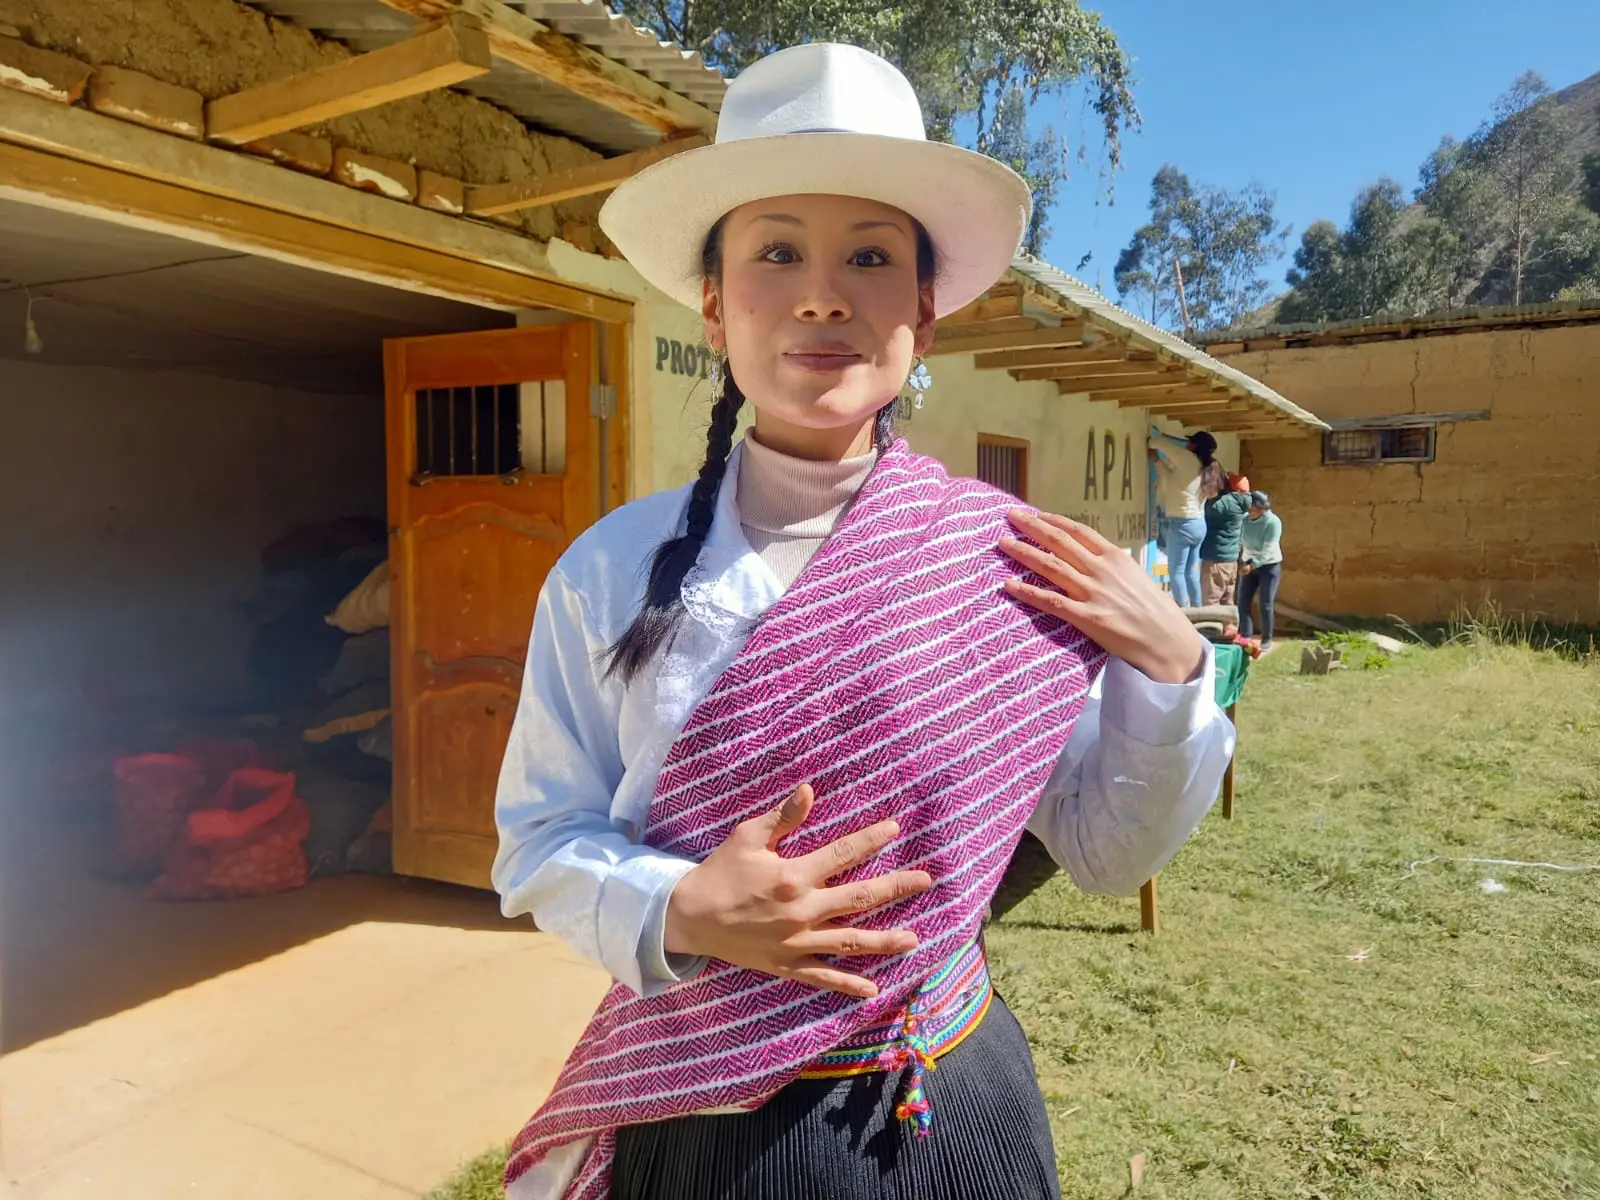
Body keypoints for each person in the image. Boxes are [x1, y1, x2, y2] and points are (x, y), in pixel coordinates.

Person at [491, 43, 1235, 1200]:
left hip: (946, 1103)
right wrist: (681, 905)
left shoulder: (1010, 563)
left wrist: (1175, 669)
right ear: (713, 305)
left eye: (871, 257)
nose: (823, 294)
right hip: (706, 1122)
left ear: (924, 315)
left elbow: (1106, 850)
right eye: (776, 251)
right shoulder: (609, 571)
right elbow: (539, 843)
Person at [1147, 430, 1227, 608]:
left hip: (1182, 523)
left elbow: (1157, 442)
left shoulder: (1187, 458)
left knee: (1176, 571)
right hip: (1199, 524)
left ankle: (1182, 611)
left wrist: (1147, 439)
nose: (1187, 445)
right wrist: (1157, 461)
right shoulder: (1206, 467)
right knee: (1190, 572)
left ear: (1195, 445)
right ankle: (1197, 610)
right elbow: (1174, 480)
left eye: (1190, 442)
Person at [1238, 490, 1283, 652]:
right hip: (1248, 563)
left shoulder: (1273, 522)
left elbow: (1268, 550)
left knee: (1265, 604)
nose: (1252, 512)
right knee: (1243, 601)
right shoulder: (1244, 520)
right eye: (1251, 509)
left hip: (1269, 566)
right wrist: (1240, 560)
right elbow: (1239, 540)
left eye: (1257, 509)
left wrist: (1252, 565)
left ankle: (1266, 638)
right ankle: (1245, 636)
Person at [1200, 473, 1252, 607]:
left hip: (1217, 560)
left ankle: (1211, 622)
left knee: (1211, 601)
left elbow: (1206, 507)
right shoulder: (1244, 503)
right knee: (1227, 602)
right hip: (1231, 561)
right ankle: (1230, 622)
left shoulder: (1226, 502)